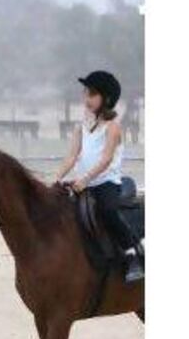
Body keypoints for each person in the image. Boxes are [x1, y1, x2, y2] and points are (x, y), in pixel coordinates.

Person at [55, 70, 144, 283]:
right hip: (82, 183)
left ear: (107, 98)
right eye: (86, 93)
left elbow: (105, 160)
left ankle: (132, 255)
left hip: (106, 183)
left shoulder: (113, 128)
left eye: (93, 94)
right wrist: (56, 179)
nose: (87, 99)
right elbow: (71, 157)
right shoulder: (81, 127)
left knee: (108, 210)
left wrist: (85, 179)